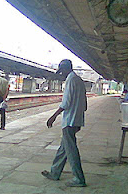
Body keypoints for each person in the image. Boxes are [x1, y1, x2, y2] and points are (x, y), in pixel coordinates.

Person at [41, 59, 87, 187]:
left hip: (70, 121)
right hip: (77, 120)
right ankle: (55, 172)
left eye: (62, 71)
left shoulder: (70, 80)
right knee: (64, 148)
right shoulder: (79, 80)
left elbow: (65, 103)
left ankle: (79, 178)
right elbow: (84, 104)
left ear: (66, 68)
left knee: (71, 150)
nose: (61, 74)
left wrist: (53, 116)